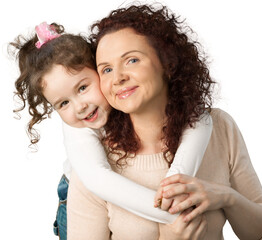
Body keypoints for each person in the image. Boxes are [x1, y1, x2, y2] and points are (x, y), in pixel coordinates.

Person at [66, 3, 262, 240]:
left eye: (132, 60)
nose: (118, 78)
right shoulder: (94, 163)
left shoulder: (218, 127)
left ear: (167, 63)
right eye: (106, 70)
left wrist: (225, 196)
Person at [10, 22, 213, 239]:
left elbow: (200, 117)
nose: (80, 107)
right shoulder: (78, 131)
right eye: (63, 103)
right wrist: (172, 212)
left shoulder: (125, 92)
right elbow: (100, 181)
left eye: (83, 88)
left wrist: (176, 178)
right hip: (82, 197)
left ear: (99, 70)